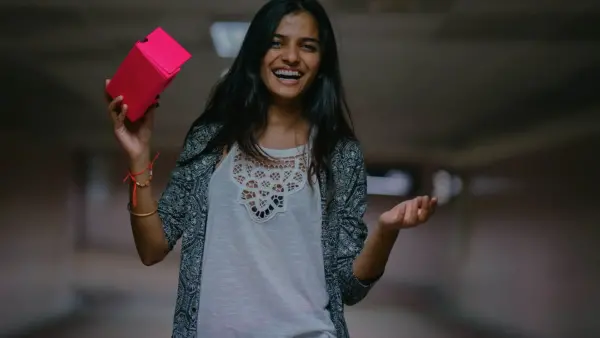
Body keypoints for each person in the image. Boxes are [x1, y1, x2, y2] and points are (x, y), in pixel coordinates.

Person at [105, 0, 437, 337]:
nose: (291, 56)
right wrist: (138, 157)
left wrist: (386, 230)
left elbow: (349, 287)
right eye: (276, 42)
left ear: (321, 63)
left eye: (307, 46)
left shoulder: (340, 153)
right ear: (256, 53)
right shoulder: (211, 139)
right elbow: (152, 249)